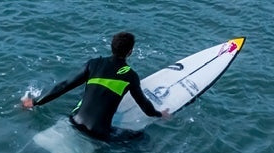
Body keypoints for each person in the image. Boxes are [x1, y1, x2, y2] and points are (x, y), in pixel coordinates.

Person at [22, 31, 169, 141]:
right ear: (130, 52)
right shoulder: (130, 76)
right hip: (100, 133)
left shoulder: (93, 64)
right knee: (141, 138)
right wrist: (159, 114)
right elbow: (144, 105)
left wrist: (35, 102)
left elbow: (64, 86)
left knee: (84, 97)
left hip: (74, 121)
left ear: (111, 47)